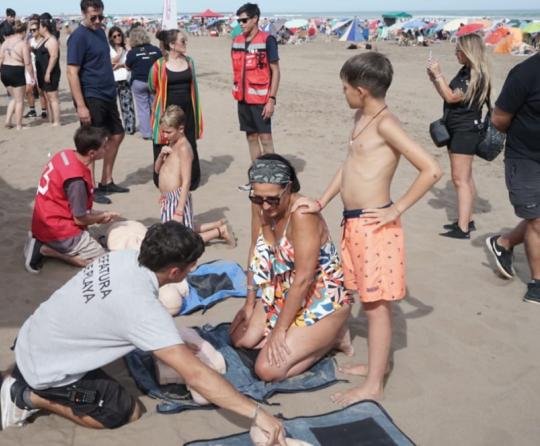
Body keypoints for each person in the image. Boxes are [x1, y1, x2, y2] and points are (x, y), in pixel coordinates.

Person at [0, 222, 287, 445]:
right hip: (50, 370)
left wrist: (169, 343)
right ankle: (28, 397)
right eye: (192, 266)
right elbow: (197, 376)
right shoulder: (143, 310)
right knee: (123, 411)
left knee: (68, 357)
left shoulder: (120, 259)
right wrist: (257, 414)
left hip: (33, 337)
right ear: (175, 271)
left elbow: (120, 315)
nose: (193, 271)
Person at [294, 52, 441, 404]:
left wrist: (397, 208)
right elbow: (349, 165)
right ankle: (376, 367)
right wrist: (322, 201)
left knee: (376, 308)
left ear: (361, 90)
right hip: (354, 223)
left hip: (375, 227)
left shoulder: (386, 123)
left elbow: (431, 169)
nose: (342, 93)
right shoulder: (362, 116)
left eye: (345, 87)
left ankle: (374, 384)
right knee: (366, 298)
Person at [230, 155, 352, 382]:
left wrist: (279, 331)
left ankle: (334, 335)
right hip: (281, 290)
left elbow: (304, 279)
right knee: (241, 338)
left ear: (288, 189)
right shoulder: (260, 203)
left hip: (319, 298)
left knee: (267, 369)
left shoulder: (302, 215)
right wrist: (249, 302)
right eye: (258, 198)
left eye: (272, 199)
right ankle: (309, 337)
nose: (265, 206)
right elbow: (255, 249)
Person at [24, 126, 119, 274]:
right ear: (92, 153)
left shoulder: (65, 154)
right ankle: (51, 251)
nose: (107, 149)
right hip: (58, 229)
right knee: (105, 260)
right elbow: (79, 219)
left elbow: (71, 203)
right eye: (104, 147)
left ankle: (46, 243)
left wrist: (98, 215)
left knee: (96, 238)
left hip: (43, 219)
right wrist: (100, 216)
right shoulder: (76, 181)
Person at [486, 53, 540, 304]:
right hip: (525, 157)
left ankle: (503, 242)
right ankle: (537, 283)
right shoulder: (525, 73)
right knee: (537, 221)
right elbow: (499, 119)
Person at [427, 34, 491, 239]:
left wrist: (438, 75)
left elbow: (451, 96)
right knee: (466, 178)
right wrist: (435, 78)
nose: (456, 53)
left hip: (465, 131)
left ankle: (462, 229)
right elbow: (448, 94)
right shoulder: (467, 71)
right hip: (458, 128)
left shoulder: (475, 75)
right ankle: (466, 221)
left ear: (468, 52)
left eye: (458, 51)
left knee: (459, 179)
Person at [67, 0, 130, 205]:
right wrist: (81, 105)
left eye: (100, 16)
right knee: (92, 143)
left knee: (118, 134)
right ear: (83, 14)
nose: (97, 20)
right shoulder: (78, 37)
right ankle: (90, 187)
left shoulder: (100, 32)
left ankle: (106, 180)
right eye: (93, 16)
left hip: (108, 93)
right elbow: (72, 72)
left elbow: (103, 62)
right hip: (91, 95)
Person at [154, 106, 234, 245]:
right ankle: (216, 225)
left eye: (168, 132)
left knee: (179, 241)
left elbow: (186, 182)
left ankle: (220, 231)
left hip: (177, 197)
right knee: (183, 228)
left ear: (180, 129)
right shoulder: (172, 143)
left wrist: (179, 210)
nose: (165, 136)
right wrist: (161, 155)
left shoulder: (184, 148)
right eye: (163, 132)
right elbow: (156, 170)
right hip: (168, 198)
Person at [148, 29, 203, 191]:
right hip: (167, 110)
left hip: (188, 110)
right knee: (165, 142)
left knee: (189, 142)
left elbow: (193, 85)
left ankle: (191, 179)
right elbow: (151, 86)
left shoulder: (190, 62)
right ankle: (163, 178)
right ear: (172, 45)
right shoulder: (159, 64)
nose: (186, 43)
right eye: (183, 41)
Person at [232, 3, 280, 162]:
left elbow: (276, 71)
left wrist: (271, 100)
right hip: (243, 99)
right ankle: (257, 177)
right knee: (251, 138)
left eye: (244, 20)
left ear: (255, 19)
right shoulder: (237, 41)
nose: (241, 24)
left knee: (266, 139)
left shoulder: (268, 40)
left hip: (261, 100)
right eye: (239, 21)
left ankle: (272, 179)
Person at [0, 22, 34, 130]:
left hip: (5, 71)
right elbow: (27, 63)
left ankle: (8, 121)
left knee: (13, 98)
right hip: (16, 71)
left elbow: (0, 58)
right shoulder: (23, 44)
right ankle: (19, 125)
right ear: (23, 32)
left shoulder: (5, 42)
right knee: (20, 100)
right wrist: (32, 77)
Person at [126, 26, 162, 140]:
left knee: (143, 108)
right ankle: (157, 130)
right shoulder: (155, 50)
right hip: (154, 81)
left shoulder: (132, 52)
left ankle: (147, 133)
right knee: (155, 107)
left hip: (139, 82)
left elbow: (128, 66)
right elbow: (161, 63)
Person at [35, 13, 61, 126]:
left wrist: (48, 72)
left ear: (44, 27)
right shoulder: (44, 39)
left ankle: (57, 121)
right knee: (47, 97)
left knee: (53, 97)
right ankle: (51, 118)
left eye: (39, 26)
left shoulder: (52, 40)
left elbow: (54, 56)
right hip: (43, 72)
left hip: (50, 72)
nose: (38, 29)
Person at [109, 26, 136, 135]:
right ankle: (115, 128)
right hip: (112, 79)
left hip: (125, 78)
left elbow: (131, 63)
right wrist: (119, 54)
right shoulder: (109, 49)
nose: (117, 38)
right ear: (111, 38)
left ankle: (130, 128)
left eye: (119, 35)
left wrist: (120, 65)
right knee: (112, 106)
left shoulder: (127, 48)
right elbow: (109, 63)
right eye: (114, 36)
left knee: (127, 105)